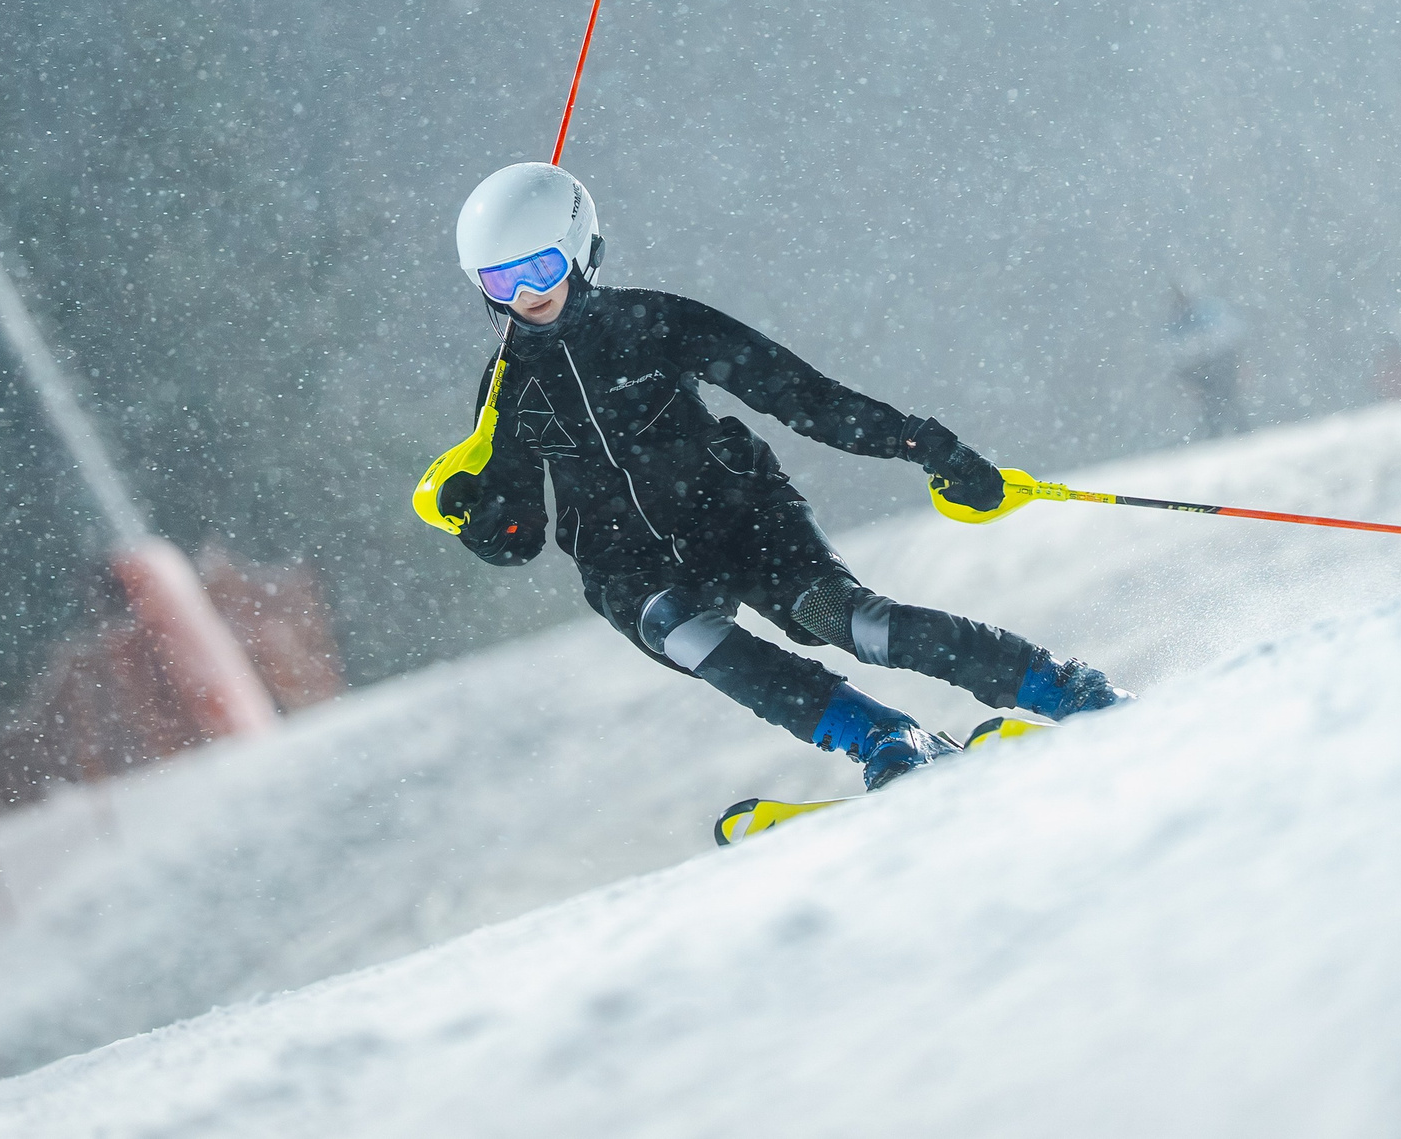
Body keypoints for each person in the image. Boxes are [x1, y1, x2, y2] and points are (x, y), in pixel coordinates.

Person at [426, 163, 1130, 790]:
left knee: (849, 621)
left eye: (541, 268)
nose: (527, 294)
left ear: (580, 250)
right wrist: (484, 522)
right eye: (502, 280)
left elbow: (802, 396)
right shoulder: (505, 390)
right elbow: (521, 535)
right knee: (686, 633)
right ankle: (883, 736)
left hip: (742, 518)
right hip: (628, 566)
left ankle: (1057, 684)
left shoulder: (655, 322)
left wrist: (924, 444)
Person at [1163, 285, 1247, 438]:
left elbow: (1230, 333)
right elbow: (1176, 355)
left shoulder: (1207, 310)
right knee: (1212, 403)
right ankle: (1218, 432)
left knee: (1227, 397)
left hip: (1220, 361)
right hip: (1201, 368)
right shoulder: (1176, 324)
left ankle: (1239, 431)